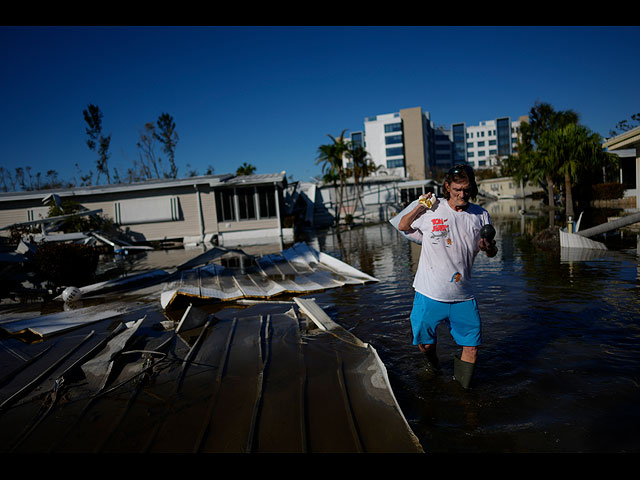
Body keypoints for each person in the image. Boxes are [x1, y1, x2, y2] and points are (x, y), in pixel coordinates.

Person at [398, 164, 497, 389]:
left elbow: (492, 252)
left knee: (471, 347)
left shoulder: (481, 215)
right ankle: (433, 365)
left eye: (467, 189)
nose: (462, 195)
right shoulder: (433, 208)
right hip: (429, 292)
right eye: (457, 190)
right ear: (447, 187)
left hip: (463, 295)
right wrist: (420, 206)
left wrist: (488, 246)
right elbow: (404, 226)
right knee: (425, 345)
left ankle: (462, 393)